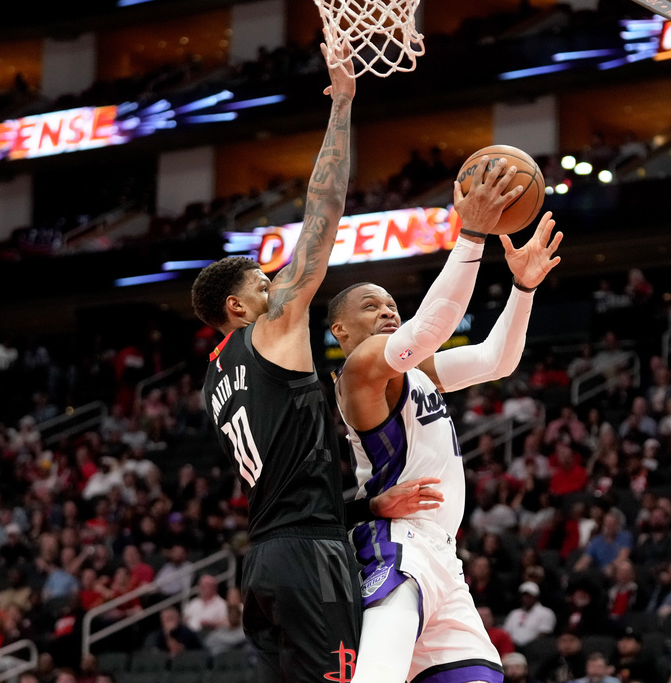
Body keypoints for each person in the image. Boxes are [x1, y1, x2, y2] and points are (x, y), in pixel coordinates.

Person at [192, 50, 439, 683]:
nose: (276, 287)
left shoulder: (215, 382)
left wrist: (369, 507)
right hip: (308, 562)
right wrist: (343, 103)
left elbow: (288, 477)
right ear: (237, 306)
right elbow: (321, 214)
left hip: (268, 565)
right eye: (262, 283)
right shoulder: (270, 328)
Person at [329, 178, 563, 683]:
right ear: (340, 331)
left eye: (391, 303)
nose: (387, 310)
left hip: (442, 554)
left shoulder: (415, 371)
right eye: (371, 305)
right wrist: (472, 235)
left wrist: (523, 291)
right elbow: (431, 328)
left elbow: (495, 360)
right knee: (378, 675)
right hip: (395, 542)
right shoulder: (361, 369)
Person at [504, 582, 557, 648]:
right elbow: (506, 632)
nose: (526, 598)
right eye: (524, 595)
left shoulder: (546, 612)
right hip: (513, 647)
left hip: (535, 648)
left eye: (529, 596)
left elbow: (544, 634)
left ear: (536, 596)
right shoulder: (514, 613)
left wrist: (529, 646)